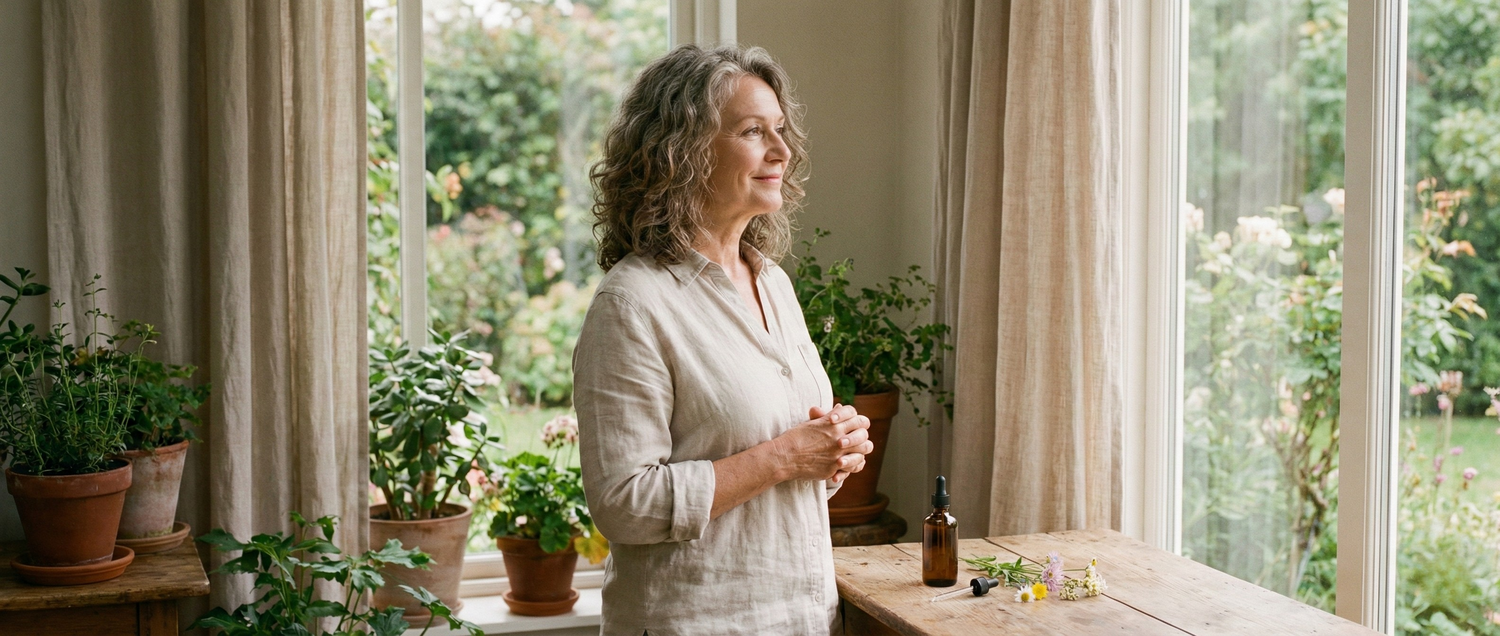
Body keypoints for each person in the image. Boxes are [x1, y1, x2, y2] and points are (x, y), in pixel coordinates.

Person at [573, 44, 874, 636]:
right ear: (680, 153)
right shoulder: (632, 304)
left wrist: (831, 448)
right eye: (753, 131)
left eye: (780, 131)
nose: (782, 152)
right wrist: (787, 455)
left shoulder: (774, 283)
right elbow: (624, 503)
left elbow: (778, 445)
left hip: (803, 617)